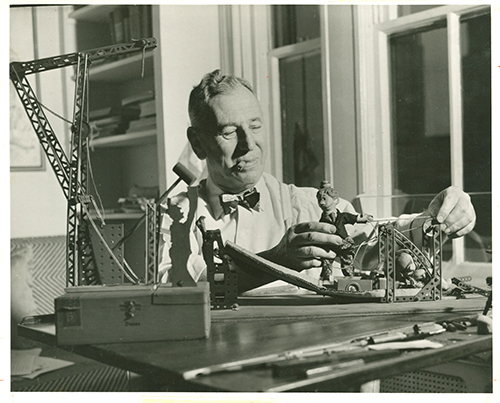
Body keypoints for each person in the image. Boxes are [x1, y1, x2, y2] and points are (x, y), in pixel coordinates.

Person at [158, 69, 476, 294]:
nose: (248, 144)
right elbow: (185, 291)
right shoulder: (174, 217)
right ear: (198, 143)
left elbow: (373, 245)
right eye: (229, 132)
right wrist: (277, 259)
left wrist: (431, 221)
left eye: (255, 126)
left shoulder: (306, 205)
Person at [316, 180, 373, 279]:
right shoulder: (322, 220)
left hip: (343, 243)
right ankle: (325, 279)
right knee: (326, 261)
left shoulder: (342, 216)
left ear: (336, 201)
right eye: (319, 199)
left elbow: (354, 218)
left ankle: (349, 277)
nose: (321, 202)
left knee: (347, 259)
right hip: (329, 245)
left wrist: (363, 218)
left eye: (324, 199)